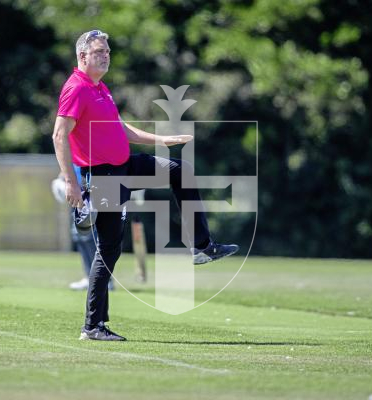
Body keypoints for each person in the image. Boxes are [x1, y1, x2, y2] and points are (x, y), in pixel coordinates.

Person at [51, 29, 238, 341]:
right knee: (109, 249)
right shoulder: (77, 88)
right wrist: (70, 180)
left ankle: (202, 247)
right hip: (104, 177)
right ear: (82, 56)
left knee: (180, 170)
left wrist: (161, 139)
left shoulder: (99, 87)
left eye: (107, 51)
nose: (106, 55)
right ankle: (93, 327)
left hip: (126, 166)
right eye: (99, 51)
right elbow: (59, 134)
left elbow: (121, 128)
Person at [51, 171, 114, 291]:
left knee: (91, 238)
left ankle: (104, 279)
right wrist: (61, 178)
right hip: (78, 195)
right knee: (79, 236)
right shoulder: (73, 153)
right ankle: (89, 276)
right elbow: (69, 163)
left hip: (94, 194)